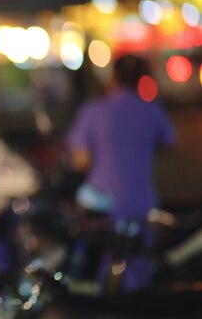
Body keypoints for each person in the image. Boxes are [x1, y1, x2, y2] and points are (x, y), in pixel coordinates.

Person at [66, 54, 175, 291]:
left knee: (91, 267)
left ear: (112, 77)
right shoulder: (152, 111)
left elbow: (80, 161)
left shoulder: (94, 111)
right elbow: (167, 143)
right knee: (139, 263)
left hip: (101, 203)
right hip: (141, 202)